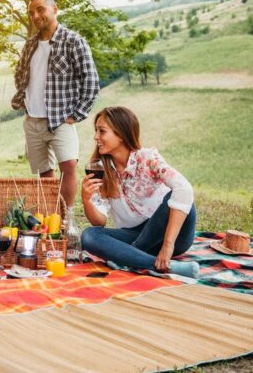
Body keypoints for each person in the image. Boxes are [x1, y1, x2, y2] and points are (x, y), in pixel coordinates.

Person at [80, 106, 199, 278]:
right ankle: (162, 266)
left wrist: (167, 245)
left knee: (176, 195)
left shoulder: (148, 159)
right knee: (89, 235)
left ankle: (128, 257)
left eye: (102, 131)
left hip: (170, 235)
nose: (96, 137)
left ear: (120, 134)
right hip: (132, 235)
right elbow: (100, 221)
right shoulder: (100, 169)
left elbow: (184, 188)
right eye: (96, 131)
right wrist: (87, 201)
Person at [11, 0, 100, 210]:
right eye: (32, 12)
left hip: (60, 119)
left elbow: (90, 80)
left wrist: (77, 113)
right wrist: (23, 96)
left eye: (40, 9)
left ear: (54, 9)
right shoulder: (30, 44)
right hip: (32, 121)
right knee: (45, 171)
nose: (35, 16)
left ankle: (66, 218)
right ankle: (51, 215)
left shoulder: (73, 41)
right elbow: (19, 73)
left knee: (69, 166)